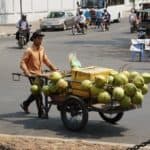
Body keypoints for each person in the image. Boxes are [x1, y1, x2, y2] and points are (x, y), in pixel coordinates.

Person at [20, 30, 58, 118]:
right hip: (32, 74)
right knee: (38, 93)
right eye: (39, 39)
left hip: (40, 74)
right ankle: (41, 113)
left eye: (41, 39)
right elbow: (22, 63)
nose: (40, 40)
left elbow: (46, 60)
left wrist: (53, 68)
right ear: (34, 39)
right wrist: (27, 72)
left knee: (36, 92)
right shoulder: (29, 50)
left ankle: (25, 104)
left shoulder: (42, 49)